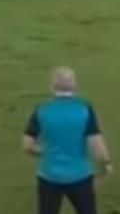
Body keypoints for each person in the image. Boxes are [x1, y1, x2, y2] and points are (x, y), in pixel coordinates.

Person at [24, 66, 112, 214]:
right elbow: (98, 149)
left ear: (52, 86)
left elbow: (27, 145)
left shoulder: (42, 110)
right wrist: (105, 167)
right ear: (74, 86)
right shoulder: (84, 109)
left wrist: (45, 153)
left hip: (49, 177)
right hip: (80, 177)